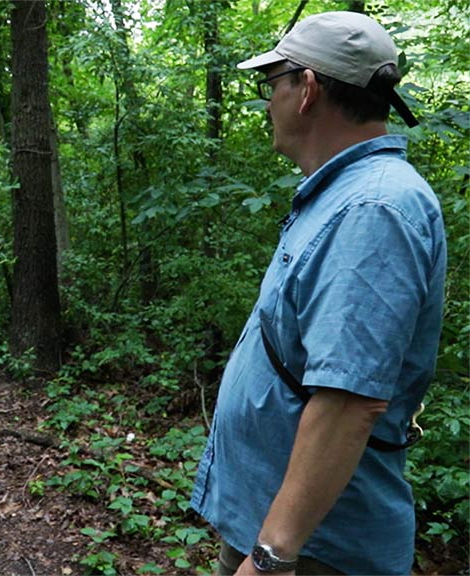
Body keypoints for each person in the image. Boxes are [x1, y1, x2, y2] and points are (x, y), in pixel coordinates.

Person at [189, 11, 447, 576]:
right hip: (285, 528)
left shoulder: (373, 210)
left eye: (271, 85)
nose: (267, 105)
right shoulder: (347, 196)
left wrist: (270, 557)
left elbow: (351, 403)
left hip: (312, 551)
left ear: (306, 89)